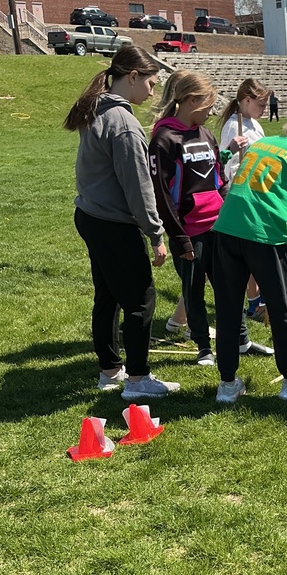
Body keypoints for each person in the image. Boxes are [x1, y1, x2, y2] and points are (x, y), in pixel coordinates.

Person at [65, 45, 179, 399]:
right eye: (151, 82)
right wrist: (155, 235)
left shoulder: (97, 108)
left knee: (109, 295)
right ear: (133, 77)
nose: (153, 90)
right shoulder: (124, 124)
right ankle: (137, 379)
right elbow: (138, 186)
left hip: (91, 215)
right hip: (112, 222)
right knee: (141, 300)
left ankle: (110, 370)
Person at [149, 70, 273, 369]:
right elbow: (161, 194)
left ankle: (241, 339)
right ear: (191, 101)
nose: (212, 111)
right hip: (189, 231)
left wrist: (234, 208)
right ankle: (203, 347)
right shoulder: (164, 138)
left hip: (219, 226)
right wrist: (179, 237)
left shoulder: (205, 134)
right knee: (193, 290)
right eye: (208, 105)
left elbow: (217, 177)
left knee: (230, 286)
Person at [211, 106, 287, 403]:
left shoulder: (261, 144)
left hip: (225, 228)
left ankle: (227, 385)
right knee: (282, 310)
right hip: (265, 235)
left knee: (227, 309)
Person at [218, 77, 272, 321]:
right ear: (247, 100)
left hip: (257, 191)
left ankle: (256, 299)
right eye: (260, 105)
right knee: (249, 251)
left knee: (255, 248)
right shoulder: (233, 125)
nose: (264, 110)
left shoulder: (253, 123)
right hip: (240, 194)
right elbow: (224, 164)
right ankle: (253, 303)